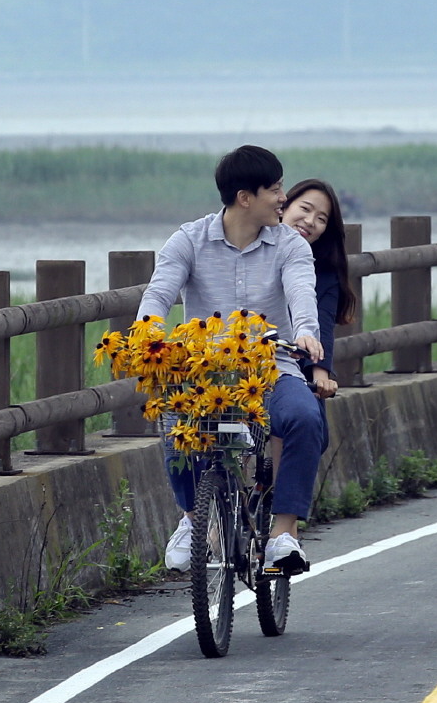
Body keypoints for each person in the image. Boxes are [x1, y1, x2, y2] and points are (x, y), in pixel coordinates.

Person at [137, 144, 329, 576]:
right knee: (174, 418)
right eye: (275, 190)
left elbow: (301, 293)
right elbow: (160, 292)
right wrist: (147, 331)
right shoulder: (188, 240)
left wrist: (305, 334)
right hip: (206, 372)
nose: (283, 198)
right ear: (246, 197)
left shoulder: (290, 246)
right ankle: (191, 520)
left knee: (303, 417)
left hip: (271, 367)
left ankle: (284, 535)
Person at [280, 178, 353, 405]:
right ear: (283, 207)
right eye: (304, 209)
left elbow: (323, 323)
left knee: (307, 415)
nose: (310, 221)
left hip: (298, 369)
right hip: (248, 363)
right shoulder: (256, 252)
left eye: (321, 219)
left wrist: (321, 377)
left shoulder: (325, 273)